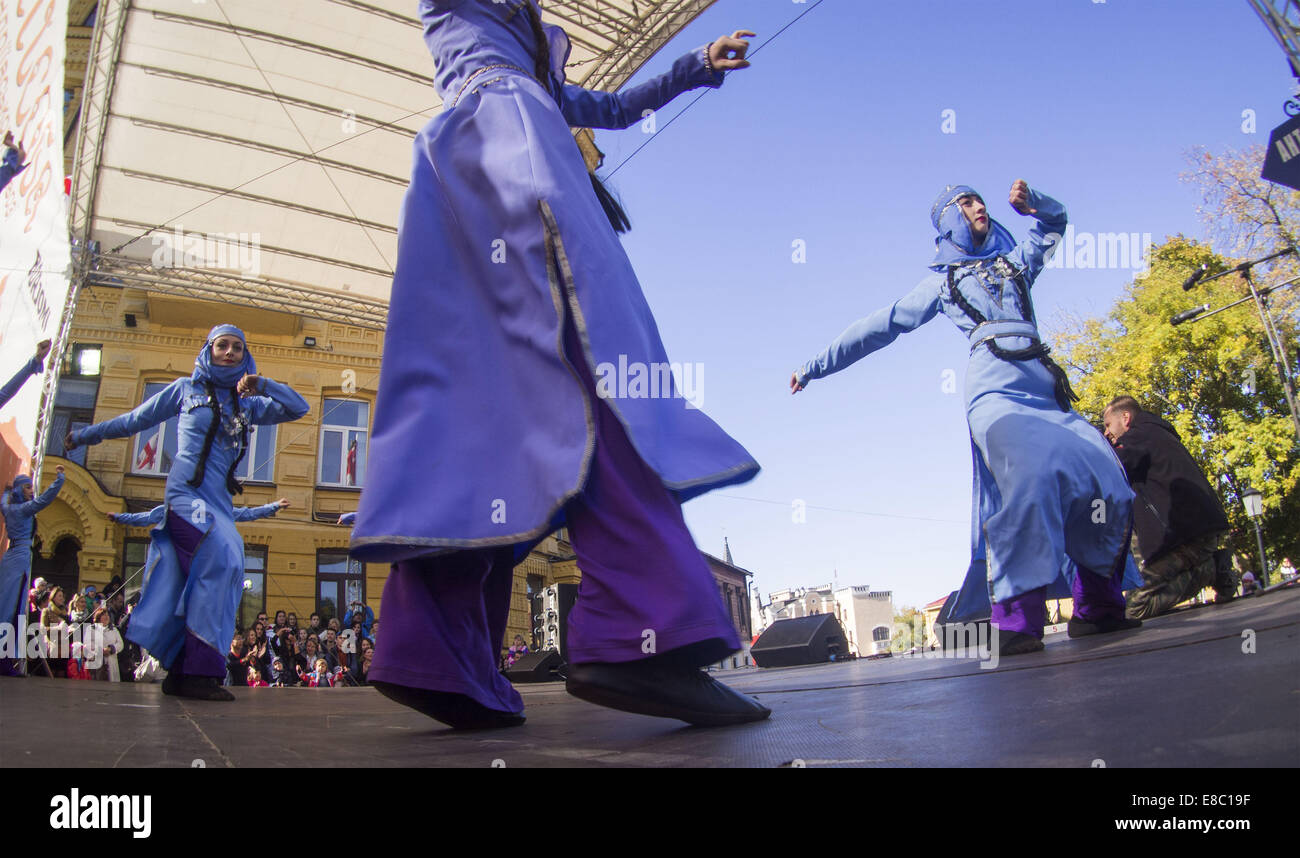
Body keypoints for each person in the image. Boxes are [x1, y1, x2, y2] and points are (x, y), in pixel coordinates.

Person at [348, 0, 766, 731]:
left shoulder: (537, 59)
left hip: (491, 157)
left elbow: (612, 103)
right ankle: (643, 636)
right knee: (596, 366)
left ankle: (439, 657)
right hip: (512, 153)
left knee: (484, 407)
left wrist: (694, 67)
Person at [793, 182, 1143, 655]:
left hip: (1046, 386)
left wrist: (1035, 202)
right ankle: (1019, 620)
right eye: (966, 202)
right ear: (949, 222)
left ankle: (1097, 608)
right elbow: (878, 327)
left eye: (980, 199)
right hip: (995, 390)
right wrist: (813, 367)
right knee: (1030, 480)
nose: (979, 206)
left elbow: (1055, 225)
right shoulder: (941, 283)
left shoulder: (1015, 263)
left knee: (1107, 478)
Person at [67, 325, 309, 700]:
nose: (228, 352)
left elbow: (299, 407)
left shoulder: (248, 404)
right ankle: (200, 672)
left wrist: (263, 385)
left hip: (220, 503)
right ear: (208, 351)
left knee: (213, 571)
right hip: (185, 495)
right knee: (221, 557)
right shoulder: (185, 389)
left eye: (237, 348)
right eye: (221, 346)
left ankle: (181, 671)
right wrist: (85, 435)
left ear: (245, 357)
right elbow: (135, 421)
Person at [1101, 396, 1236, 617]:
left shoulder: (1138, 436)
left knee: (1134, 607)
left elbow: (1111, 466)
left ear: (1125, 417)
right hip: (1193, 532)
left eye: (1107, 425)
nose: (1107, 433)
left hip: (1185, 536)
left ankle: (1211, 571)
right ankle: (1214, 569)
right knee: (1138, 599)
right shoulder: (1155, 434)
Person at [0, 466, 65, 676]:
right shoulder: (23, 509)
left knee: (7, 607)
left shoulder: (9, 508)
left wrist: (8, 492)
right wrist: (59, 479)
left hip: (11, 558)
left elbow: (3, 501)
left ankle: (6, 660)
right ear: (21, 491)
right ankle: (4, 661)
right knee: (12, 610)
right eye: (28, 487)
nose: (31, 490)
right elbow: (45, 499)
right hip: (19, 559)